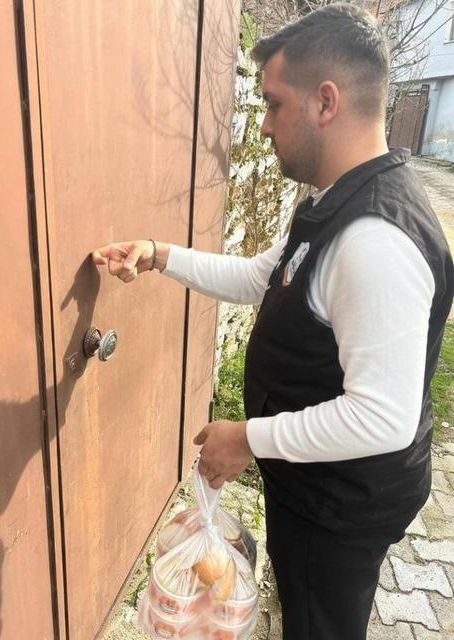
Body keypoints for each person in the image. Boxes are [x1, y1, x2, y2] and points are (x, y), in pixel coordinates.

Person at [91, 4, 454, 639]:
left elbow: (382, 417)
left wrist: (249, 438)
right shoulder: (337, 201)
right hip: (316, 487)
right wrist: (159, 254)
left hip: (338, 508)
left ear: (325, 102)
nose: (262, 125)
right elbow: (262, 276)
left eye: (273, 104)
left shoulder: (375, 239)